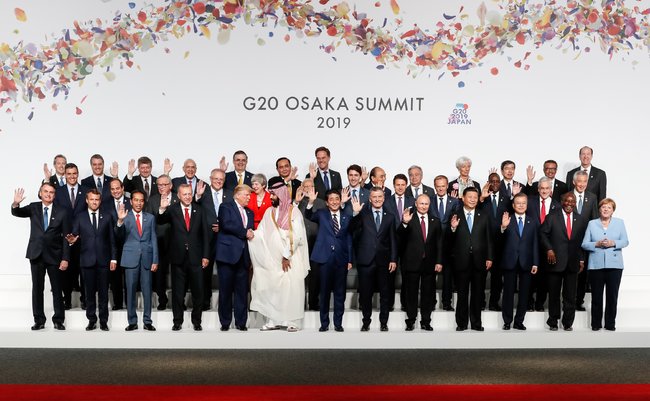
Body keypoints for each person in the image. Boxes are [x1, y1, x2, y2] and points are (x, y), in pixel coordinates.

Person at [249, 183, 310, 332]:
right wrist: (252, 234)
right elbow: (262, 232)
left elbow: (297, 236)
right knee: (273, 289)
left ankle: (291, 321)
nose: (272, 197)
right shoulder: (269, 212)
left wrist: (286, 255)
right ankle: (273, 320)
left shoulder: (293, 212)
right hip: (272, 259)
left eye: (274, 194)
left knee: (291, 289)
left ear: (281, 194)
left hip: (290, 259)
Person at [12, 184, 69, 330]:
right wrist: (16, 203)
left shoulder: (62, 211)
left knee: (57, 289)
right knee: (37, 289)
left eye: (51, 192)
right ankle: (39, 320)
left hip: (55, 256)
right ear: (40, 193)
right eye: (46, 191)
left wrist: (65, 258)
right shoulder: (33, 207)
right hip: (36, 254)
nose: (48, 194)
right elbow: (17, 212)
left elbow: (66, 238)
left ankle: (58, 320)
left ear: (54, 195)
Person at [157, 184, 211, 331]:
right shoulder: (172, 210)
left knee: (198, 292)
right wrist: (162, 209)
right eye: (184, 194)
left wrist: (206, 255)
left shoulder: (199, 210)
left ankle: (197, 321)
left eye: (189, 194)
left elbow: (205, 234)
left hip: (196, 257)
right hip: (178, 258)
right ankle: (177, 321)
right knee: (178, 292)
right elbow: (160, 220)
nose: (187, 197)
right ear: (179, 196)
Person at [66, 189, 117, 331]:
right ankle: (91, 320)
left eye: (97, 199)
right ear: (87, 200)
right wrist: (71, 240)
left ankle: (104, 321)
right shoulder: (80, 217)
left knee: (103, 294)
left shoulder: (107, 216)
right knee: (88, 294)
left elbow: (112, 240)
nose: (94, 202)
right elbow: (74, 235)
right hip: (86, 260)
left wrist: (114, 259)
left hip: (104, 261)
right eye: (92, 199)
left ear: (100, 201)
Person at [305, 188, 353, 332]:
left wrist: (350, 259)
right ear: (326, 202)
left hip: (341, 259)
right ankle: (324, 323)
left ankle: (338, 323)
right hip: (324, 258)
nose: (334, 202)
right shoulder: (322, 214)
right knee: (324, 292)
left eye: (336, 199)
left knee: (340, 293)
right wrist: (311, 202)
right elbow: (309, 215)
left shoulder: (347, 216)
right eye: (331, 199)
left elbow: (349, 239)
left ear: (340, 201)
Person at [350, 187, 398, 331]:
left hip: (384, 261)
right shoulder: (362, 214)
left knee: (385, 294)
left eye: (379, 197)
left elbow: (393, 240)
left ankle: (384, 322)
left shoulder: (390, 216)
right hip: (366, 260)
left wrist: (393, 259)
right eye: (374, 197)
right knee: (365, 294)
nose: (377, 199)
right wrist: (356, 213)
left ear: (384, 198)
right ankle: (366, 322)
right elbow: (352, 230)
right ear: (370, 199)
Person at [540, 192, 587, 331]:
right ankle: (553, 321)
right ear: (562, 201)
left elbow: (582, 242)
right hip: (555, 262)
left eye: (572, 202)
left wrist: (582, 259)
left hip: (573, 263)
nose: (569, 204)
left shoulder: (581, 219)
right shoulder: (552, 217)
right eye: (567, 201)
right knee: (554, 295)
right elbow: (542, 234)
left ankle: (568, 323)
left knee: (570, 295)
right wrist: (549, 249)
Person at [448, 187, 493, 331]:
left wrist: (489, 257)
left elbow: (489, 239)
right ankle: (461, 323)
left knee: (478, 294)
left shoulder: (484, 215)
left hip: (480, 261)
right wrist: (453, 229)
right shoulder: (455, 214)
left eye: (475, 197)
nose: (473, 199)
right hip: (461, 261)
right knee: (462, 294)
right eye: (470, 196)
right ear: (463, 198)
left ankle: (476, 323)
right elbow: (448, 240)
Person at [581, 198, 629, 331]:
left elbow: (625, 241)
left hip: (615, 266)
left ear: (613, 210)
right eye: (603, 207)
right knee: (597, 296)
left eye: (609, 207)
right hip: (596, 265)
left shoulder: (620, 223)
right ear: (599, 209)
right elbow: (584, 244)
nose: (606, 209)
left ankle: (610, 324)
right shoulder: (592, 224)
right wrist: (596, 244)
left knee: (612, 296)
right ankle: (595, 324)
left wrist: (613, 243)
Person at [398, 194, 443, 331]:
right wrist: (404, 223)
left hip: (429, 263)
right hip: (411, 263)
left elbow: (439, 243)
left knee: (428, 294)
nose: (424, 206)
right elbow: (399, 238)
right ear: (416, 204)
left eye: (426, 204)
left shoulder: (436, 220)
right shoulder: (408, 218)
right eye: (421, 203)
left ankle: (425, 321)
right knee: (411, 293)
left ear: (429, 205)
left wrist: (439, 261)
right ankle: (411, 320)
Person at [116, 190, 159, 331]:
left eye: (141, 200)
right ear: (131, 201)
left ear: (144, 202)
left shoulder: (150, 218)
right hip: (130, 259)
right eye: (136, 200)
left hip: (147, 258)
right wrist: (120, 221)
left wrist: (155, 260)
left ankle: (147, 321)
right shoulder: (125, 217)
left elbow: (153, 239)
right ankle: (132, 321)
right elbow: (118, 237)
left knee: (147, 291)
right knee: (130, 291)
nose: (139, 203)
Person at [215, 185, 255, 331]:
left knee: (242, 292)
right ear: (237, 194)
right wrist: (245, 232)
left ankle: (241, 322)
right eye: (246, 195)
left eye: (249, 195)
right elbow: (227, 224)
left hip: (243, 257)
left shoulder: (249, 213)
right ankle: (225, 322)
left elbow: (251, 232)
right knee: (225, 291)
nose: (248, 197)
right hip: (227, 256)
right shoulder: (225, 207)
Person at [194, 168, 233, 311]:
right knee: (205, 271)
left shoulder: (230, 194)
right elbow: (194, 209)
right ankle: (205, 301)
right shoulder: (202, 193)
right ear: (210, 178)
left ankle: (226, 303)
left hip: (225, 237)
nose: (218, 181)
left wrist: (222, 226)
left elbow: (233, 214)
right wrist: (197, 196)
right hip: (205, 238)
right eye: (216, 178)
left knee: (226, 272)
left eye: (221, 179)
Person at [499, 193, 538, 330]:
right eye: (518, 203)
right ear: (513, 205)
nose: (521, 205)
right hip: (510, 261)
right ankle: (507, 321)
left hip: (527, 262)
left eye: (523, 203)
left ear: (527, 205)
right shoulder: (507, 220)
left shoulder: (532, 221)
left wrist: (535, 262)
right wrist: (503, 228)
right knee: (508, 293)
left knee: (524, 294)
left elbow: (535, 243)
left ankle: (519, 321)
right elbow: (499, 241)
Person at [55, 162, 88, 310]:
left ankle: (85, 299)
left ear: (77, 173)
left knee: (84, 270)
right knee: (66, 270)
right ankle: (66, 300)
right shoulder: (58, 191)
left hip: (83, 238)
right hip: (64, 237)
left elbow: (89, 215)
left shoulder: (85, 191)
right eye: (69, 174)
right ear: (65, 175)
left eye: (74, 173)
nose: (72, 176)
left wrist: (79, 234)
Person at [479, 172, 512, 312]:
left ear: (500, 183)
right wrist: (481, 198)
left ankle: (493, 302)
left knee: (497, 277)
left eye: (497, 181)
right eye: (492, 181)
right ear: (488, 183)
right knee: (480, 276)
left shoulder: (506, 199)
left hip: (500, 242)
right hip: (483, 243)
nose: (495, 184)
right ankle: (480, 302)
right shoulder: (482, 198)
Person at [526, 177, 560, 311]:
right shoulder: (530, 202)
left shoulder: (557, 205)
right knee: (530, 276)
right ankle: (529, 302)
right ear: (538, 189)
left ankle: (540, 303)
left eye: (547, 188)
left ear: (551, 190)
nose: (544, 191)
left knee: (544, 278)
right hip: (530, 244)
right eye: (542, 188)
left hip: (548, 246)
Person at [145, 174, 178, 311]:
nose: (161, 187)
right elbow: (149, 220)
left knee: (177, 273)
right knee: (160, 274)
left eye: (164, 184)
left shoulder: (178, 197)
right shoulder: (152, 200)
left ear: (170, 185)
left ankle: (177, 300)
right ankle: (162, 299)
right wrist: (161, 210)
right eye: (159, 185)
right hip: (159, 241)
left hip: (177, 241)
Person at [383, 174, 415, 312]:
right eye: (397, 184)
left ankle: (405, 303)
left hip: (408, 242)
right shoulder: (386, 201)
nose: (400, 187)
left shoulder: (413, 200)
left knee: (407, 274)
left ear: (406, 185)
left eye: (403, 184)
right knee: (390, 274)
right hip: (390, 242)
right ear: (394, 185)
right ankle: (389, 303)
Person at [295, 178, 327, 311]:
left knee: (315, 275)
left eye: (311, 186)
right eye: (305, 186)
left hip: (316, 243)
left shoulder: (321, 203)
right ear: (301, 187)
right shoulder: (297, 202)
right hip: (299, 245)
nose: (308, 188)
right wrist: (296, 202)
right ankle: (299, 304)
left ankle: (313, 303)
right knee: (299, 275)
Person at [430, 175, 460, 311]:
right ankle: (430, 301)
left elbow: (456, 221)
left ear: (447, 186)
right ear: (435, 186)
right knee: (430, 275)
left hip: (449, 243)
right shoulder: (429, 201)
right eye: (438, 186)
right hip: (431, 243)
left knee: (448, 275)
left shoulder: (454, 202)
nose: (441, 188)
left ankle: (446, 302)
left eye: (443, 185)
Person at [571, 169, 598, 312]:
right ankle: (568, 300)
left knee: (582, 273)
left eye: (584, 181)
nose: (582, 184)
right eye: (579, 181)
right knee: (569, 271)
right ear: (574, 182)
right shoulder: (566, 196)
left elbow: (594, 219)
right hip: (569, 240)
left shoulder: (592, 197)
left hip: (585, 240)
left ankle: (578, 301)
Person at [103, 178, 130, 310]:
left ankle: (130, 303)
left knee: (129, 277)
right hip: (112, 245)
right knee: (115, 277)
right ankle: (118, 303)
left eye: (117, 188)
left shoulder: (131, 202)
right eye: (112, 189)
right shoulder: (105, 204)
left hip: (129, 244)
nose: (115, 191)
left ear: (122, 188)